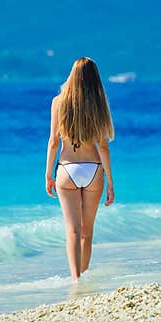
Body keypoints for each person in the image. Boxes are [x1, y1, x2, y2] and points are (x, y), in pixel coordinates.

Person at [45, 57, 115, 280]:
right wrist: (111, 182)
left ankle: (76, 280)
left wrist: (48, 173)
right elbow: (103, 146)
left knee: (73, 231)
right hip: (94, 169)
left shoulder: (58, 102)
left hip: (67, 168)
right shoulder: (99, 104)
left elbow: (53, 141)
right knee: (87, 232)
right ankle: (84, 276)